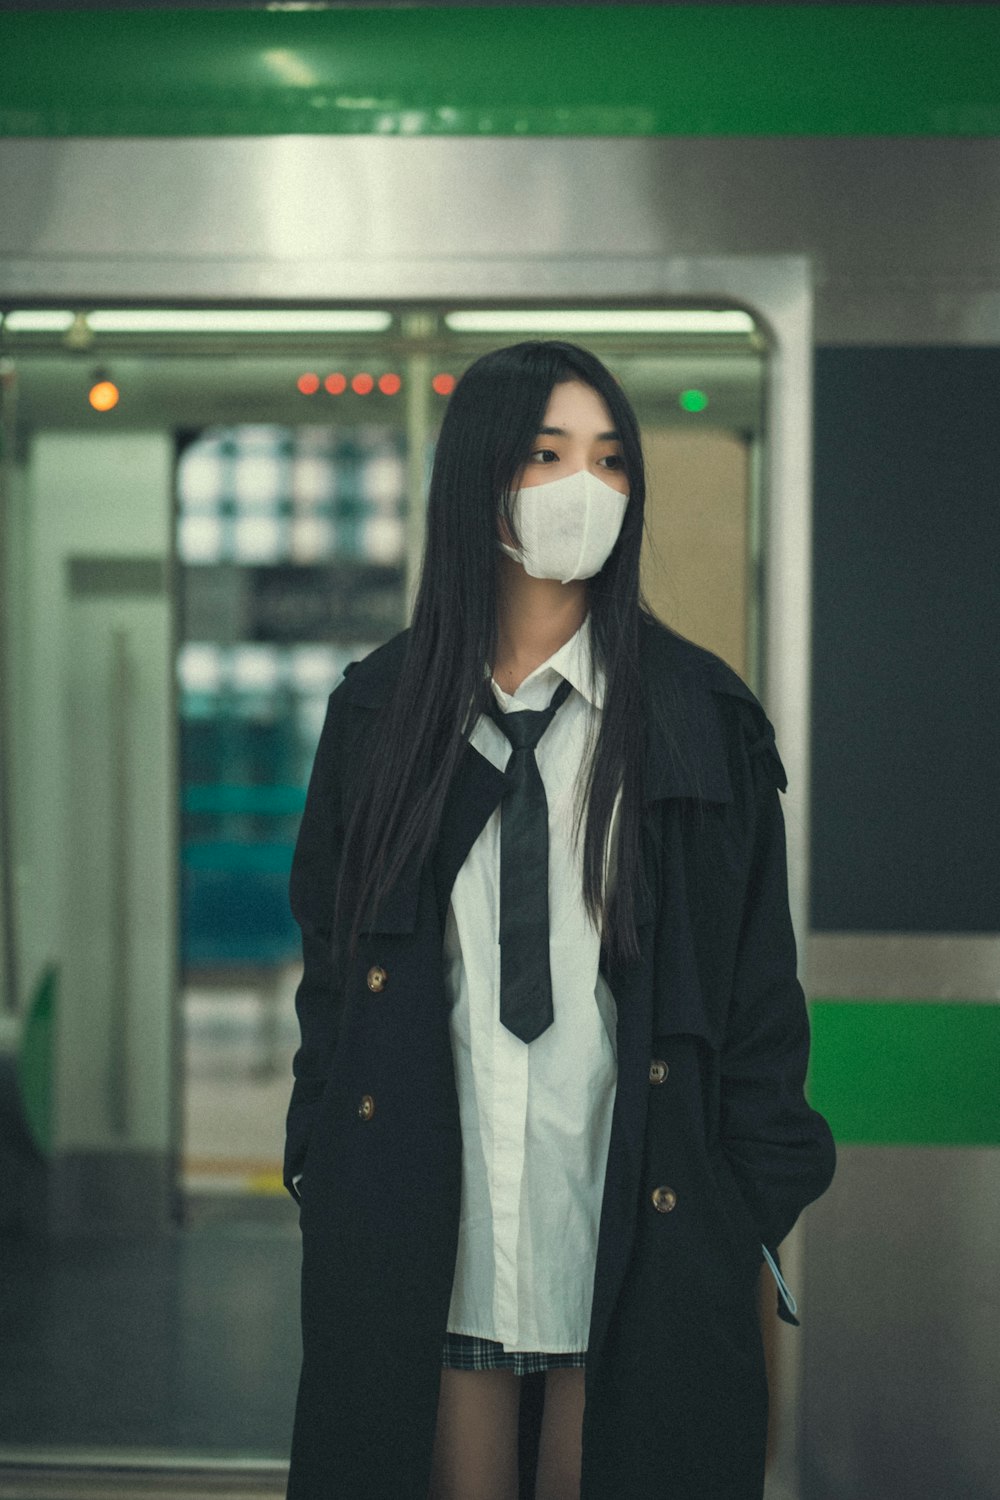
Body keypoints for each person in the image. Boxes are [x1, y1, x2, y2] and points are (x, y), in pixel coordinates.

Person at [282, 341, 836, 1500]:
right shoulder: (379, 718)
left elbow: (756, 1003)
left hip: (639, 1237)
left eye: (609, 458)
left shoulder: (698, 719)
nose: (585, 486)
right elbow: (332, 984)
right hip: (440, 1236)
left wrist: (736, 1214)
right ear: (480, 481)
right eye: (546, 454)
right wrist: (320, 1167)